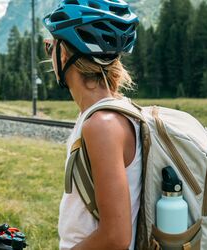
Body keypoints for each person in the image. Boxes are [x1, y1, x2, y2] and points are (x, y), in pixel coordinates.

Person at [42, 0, 141, 249]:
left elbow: (116, 237)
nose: (49, 52)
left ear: (64, 53)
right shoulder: (107, 114)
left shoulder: (102, 125)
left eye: (49, 46)